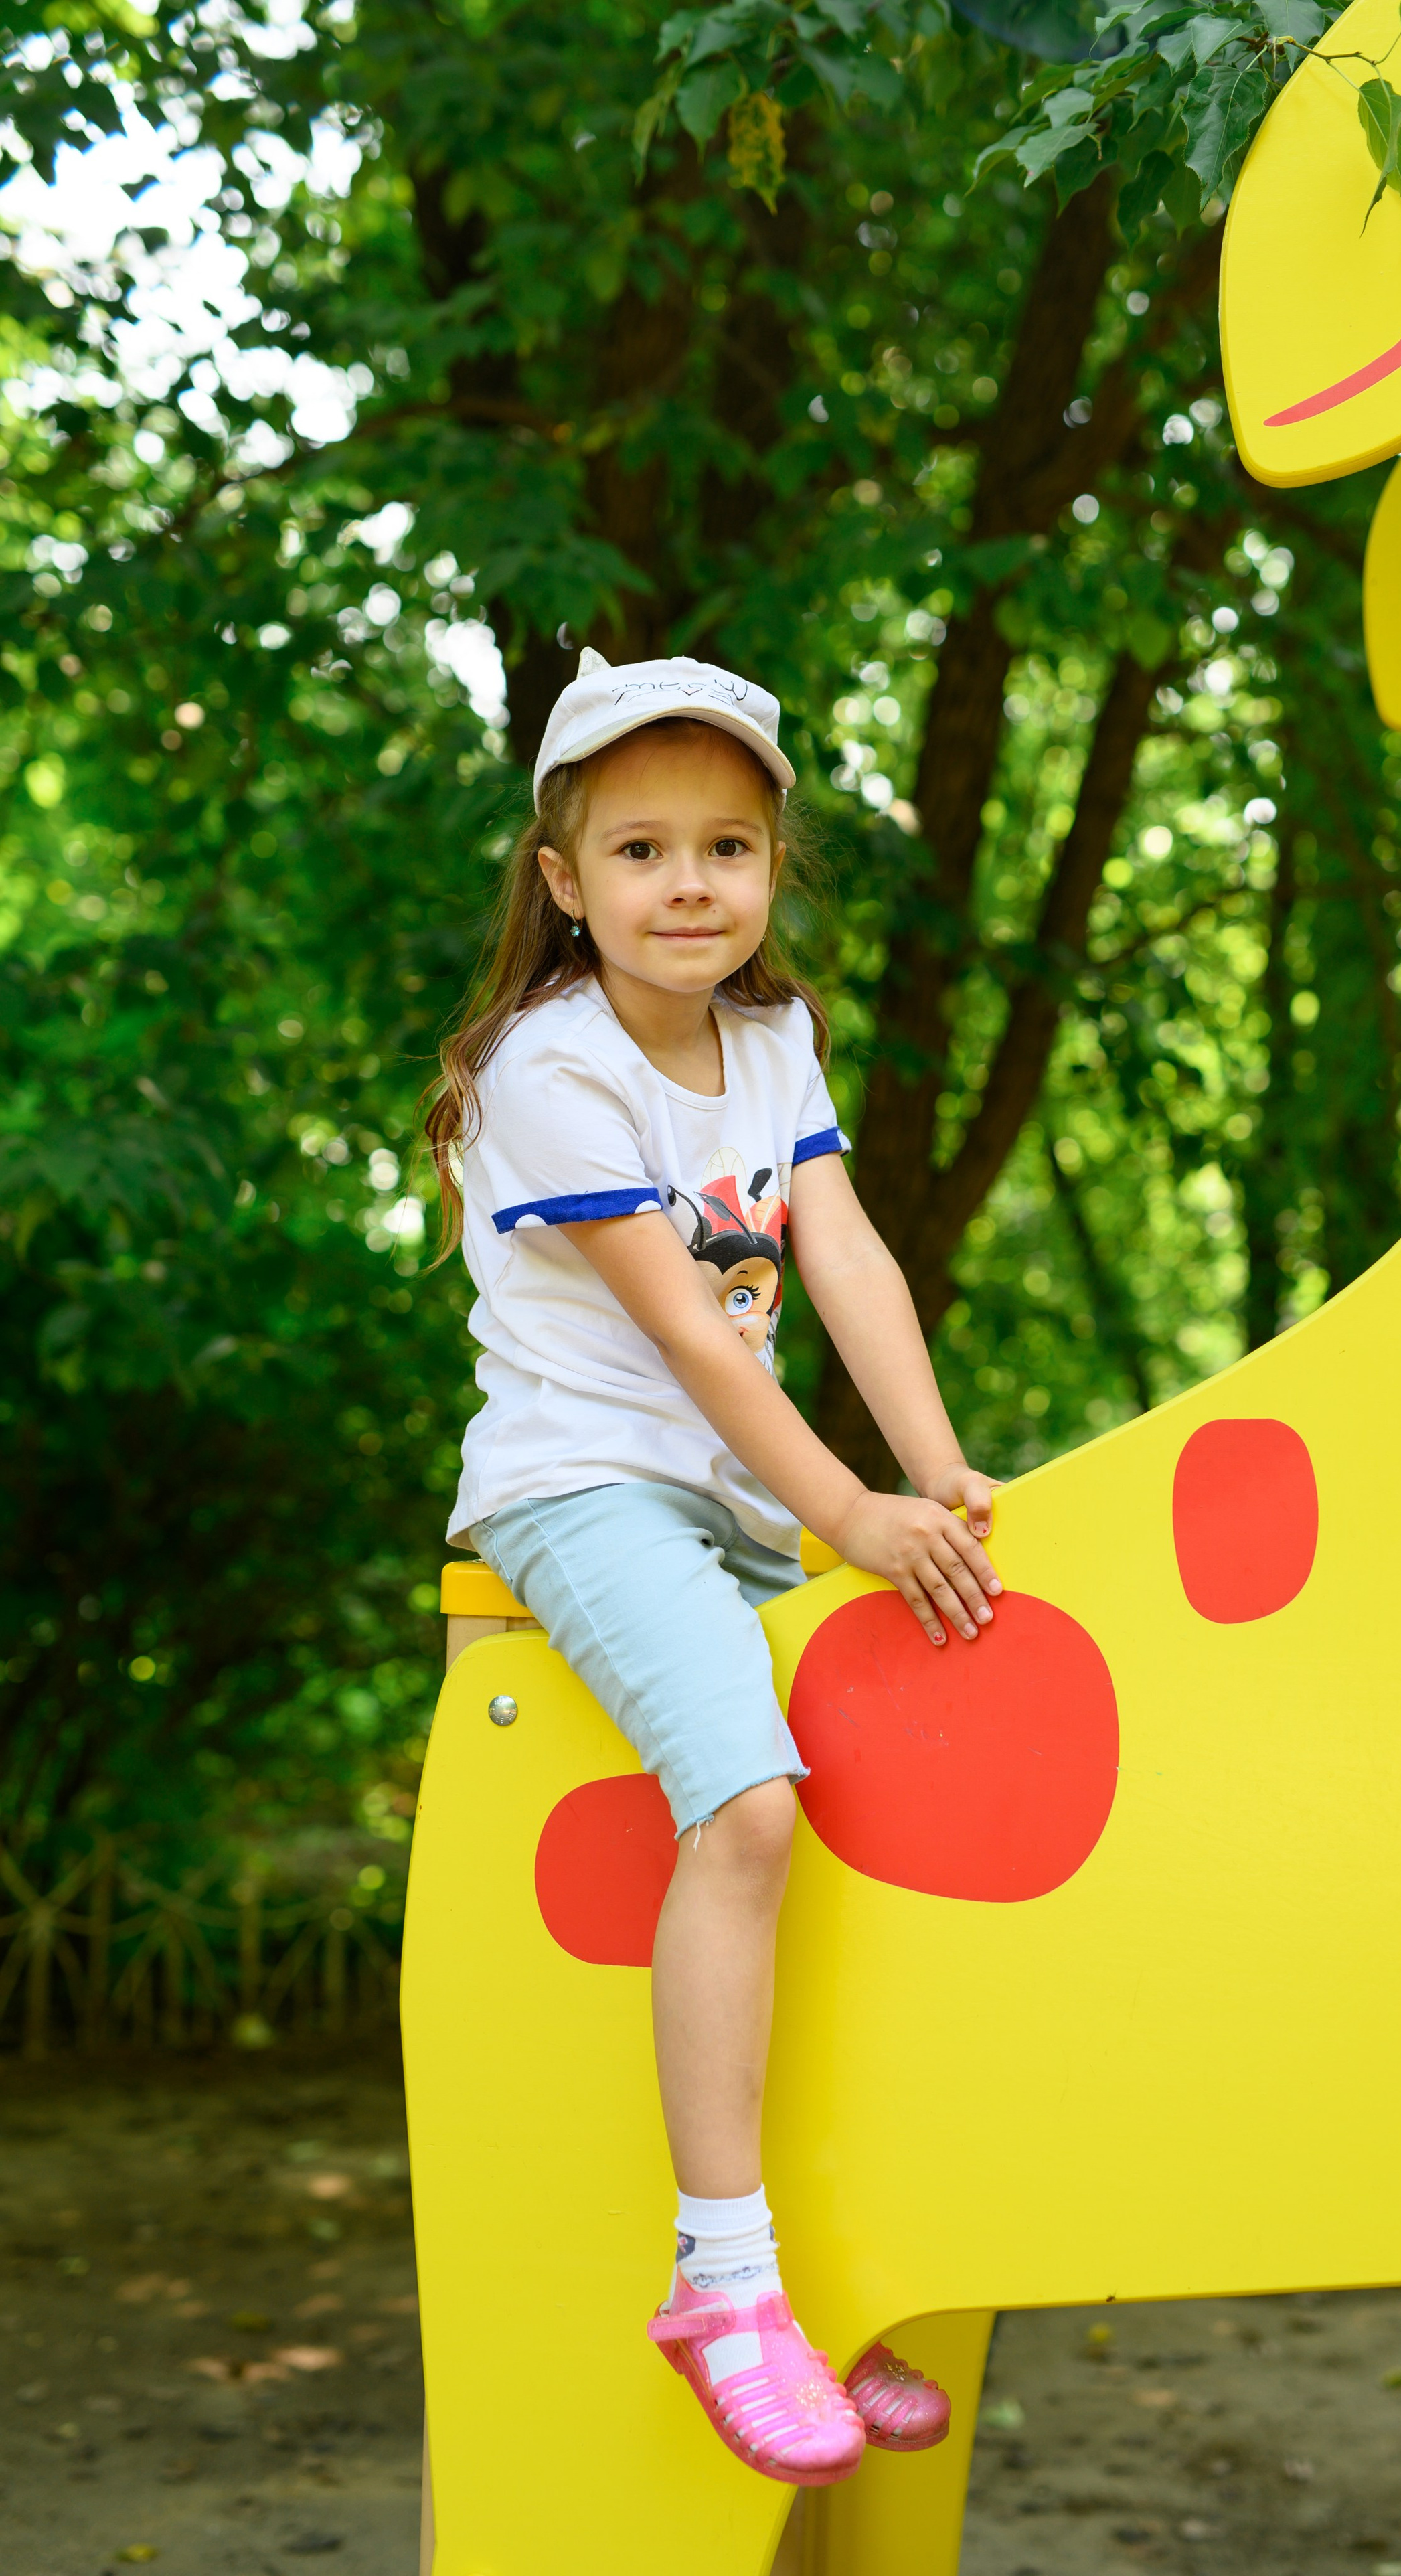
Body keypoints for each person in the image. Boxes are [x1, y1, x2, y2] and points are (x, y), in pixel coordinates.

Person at [424, 649, 1002, 2489]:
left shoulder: (775, 1041)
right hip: (584, 1489)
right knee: (745, 1812)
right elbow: (692, 1338)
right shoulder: (551, 1071)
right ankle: (725, 2287)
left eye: (731, 846)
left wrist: (940, 1472)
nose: (693, 884)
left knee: (887, 1827)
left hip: (731, 1506)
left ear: (772, 869)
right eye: (645, 848)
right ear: (564, 881)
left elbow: (842, 1259)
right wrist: (852, 1518)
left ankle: (817, 2281)